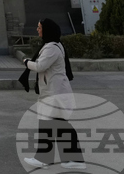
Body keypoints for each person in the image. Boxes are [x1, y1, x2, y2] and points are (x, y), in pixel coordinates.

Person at [22, 19, 85, 170]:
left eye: (39, 27)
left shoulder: (51, 48)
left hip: (54, 94)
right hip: (53, 92)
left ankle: (47, 159)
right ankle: (71, 159)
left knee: (51, 125)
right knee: (57, 126)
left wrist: (25, 62)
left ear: (47, 30)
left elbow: (40, 66)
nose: (37, 30)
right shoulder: (53, 45)